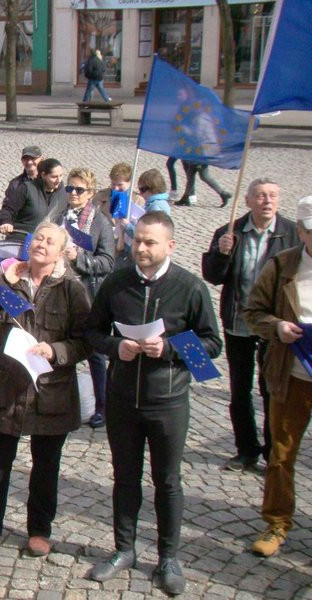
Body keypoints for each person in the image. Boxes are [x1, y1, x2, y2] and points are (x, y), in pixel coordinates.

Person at [85, 211, 222, 596]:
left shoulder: (190, 287)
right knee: (125, 477)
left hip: (168, 400)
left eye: (150, 242)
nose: (141, 248)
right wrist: (117, 346)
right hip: (123, 399)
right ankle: (123, 549)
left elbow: (212, 345)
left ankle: (168, 558)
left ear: (170, 246)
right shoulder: (116, 282)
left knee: (168, 480)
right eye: (137, 240)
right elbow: (93, 332)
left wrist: (169, 348)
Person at [0, 221, 91, 556]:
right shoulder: (11, 280)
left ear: (60, 252)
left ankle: (39, 530)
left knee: (46, 466)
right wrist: (3, 280)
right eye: (38, 239)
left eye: (50, 242)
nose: (41, 244)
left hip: (51, 390)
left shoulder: (71, 288)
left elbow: (86, 341)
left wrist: (56, 351)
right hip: (9, 385)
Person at [201, 178, 298, 472]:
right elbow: (213, 276)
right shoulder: (229, 232)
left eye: (272, 195)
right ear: (247, 201)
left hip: (274, 325)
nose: (266, 201)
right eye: (260, 196)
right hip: (239, 322)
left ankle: (272, 452)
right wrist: (221, 254)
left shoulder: (291, 233)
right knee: (240, 390)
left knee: (271, 390)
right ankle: (246, 450)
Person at [243, 195, 312, 558]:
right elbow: (253, 312)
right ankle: (277, 522)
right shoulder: (283, 265)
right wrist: (277, 327)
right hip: (291, 375)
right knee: (281, 454)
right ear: (301, 231)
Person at [56, 168, 115, 428]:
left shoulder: (100, 222)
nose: (73, 194)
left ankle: (102, 406)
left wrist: (78, 258)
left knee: (95, 354)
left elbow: (108, 262)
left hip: (88, 294)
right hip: (60, 291)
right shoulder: (60, 216)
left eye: (79, 190)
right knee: (59, 346)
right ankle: (57, 400)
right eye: (69, 188)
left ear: (90, 193)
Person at [0, 158, 67, 238]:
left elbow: (63, 215)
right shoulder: (26, 188)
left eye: (61, 175)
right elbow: (8, 209)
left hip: (45, 240)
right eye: (54, 177)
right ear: (43, 175)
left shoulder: (62, 192)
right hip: (22, 237)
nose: (59, 180)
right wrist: (6, 222)